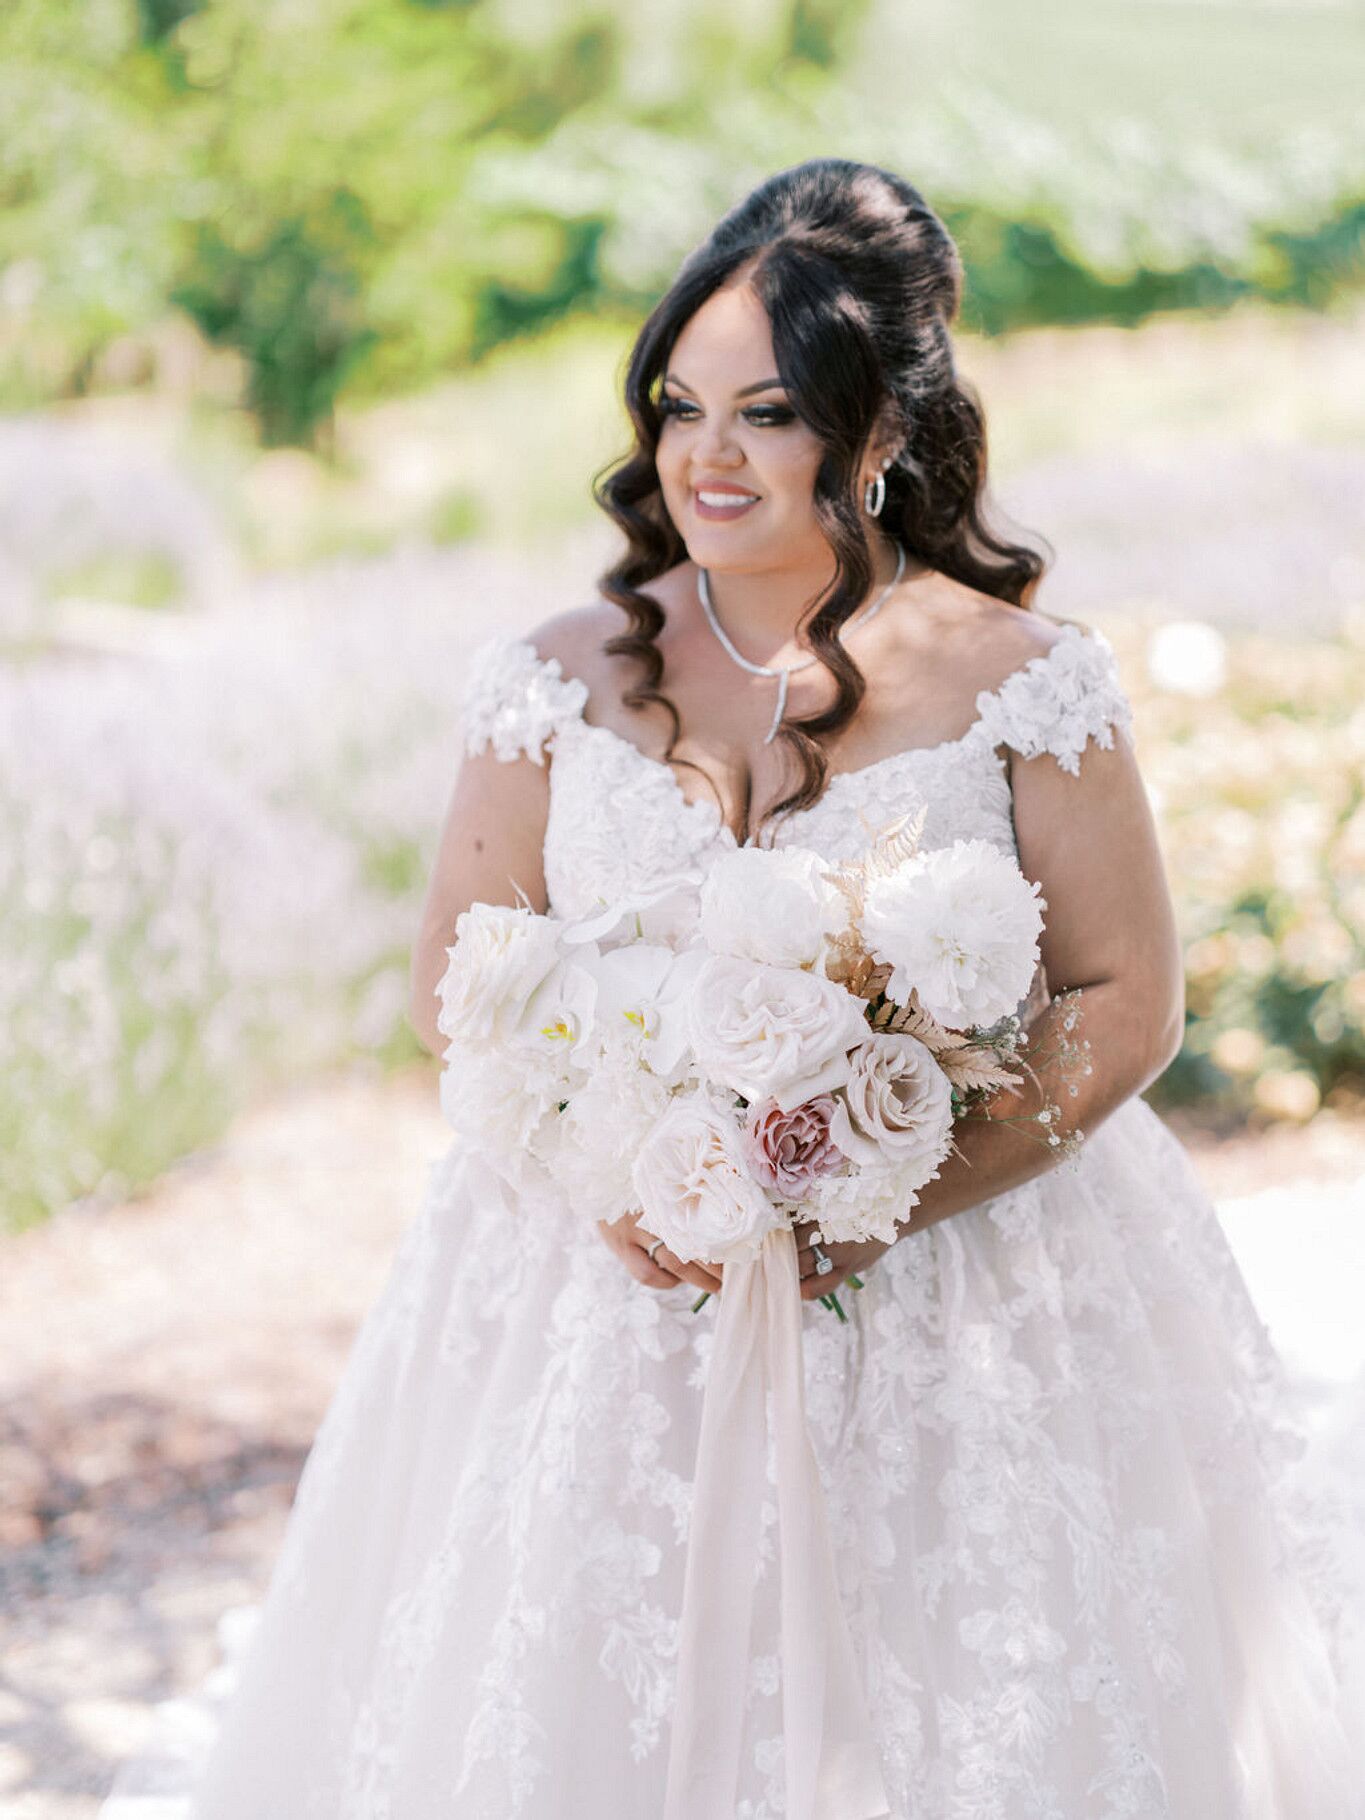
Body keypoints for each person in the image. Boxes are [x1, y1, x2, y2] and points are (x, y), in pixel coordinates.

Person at [107, 158, 1360, 1819]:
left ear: (880, 428)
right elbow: (458, 987)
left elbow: (1126, 1002)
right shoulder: (554, 677)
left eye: (764, 412)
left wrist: (874, 1199)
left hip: (967, 1304)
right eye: (677, 405)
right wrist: (632, 1182)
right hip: (607, 1304)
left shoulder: (1025, 683)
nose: (703, 455)